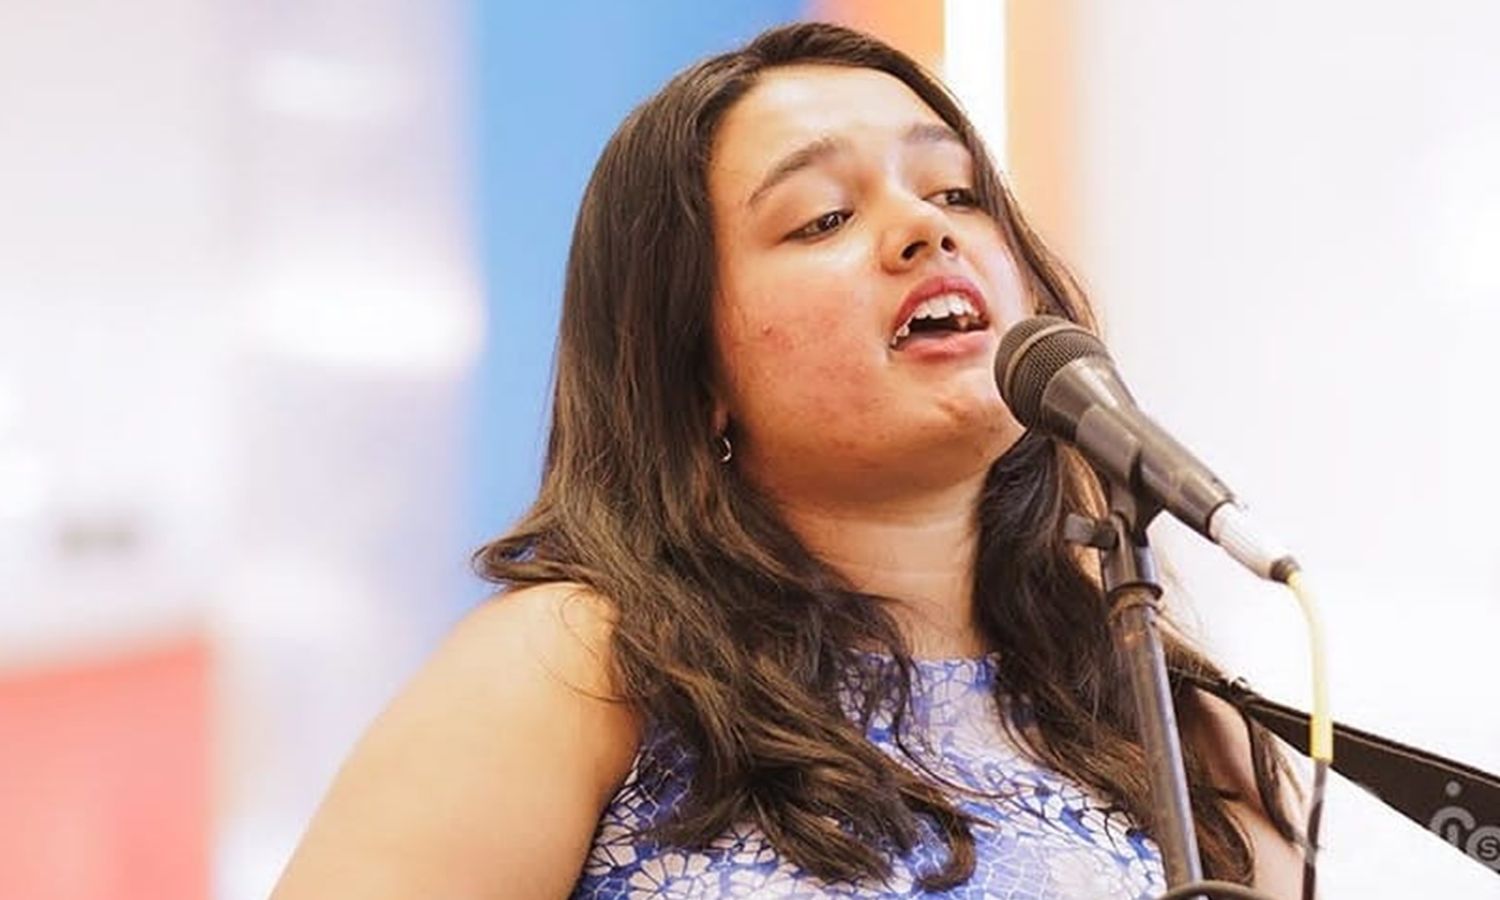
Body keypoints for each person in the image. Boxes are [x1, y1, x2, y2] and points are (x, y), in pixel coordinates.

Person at [272, 21, 1304, 899]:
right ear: (693, 370)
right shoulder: (579, 664)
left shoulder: (1167, 713)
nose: (923, 229)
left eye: (956, 193)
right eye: (823, 219)